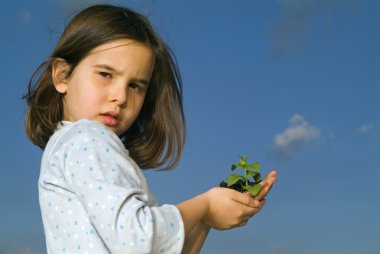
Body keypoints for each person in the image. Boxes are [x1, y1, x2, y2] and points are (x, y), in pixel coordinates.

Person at [23, 4, 277, 254]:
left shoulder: (71, 145)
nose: (120, 96)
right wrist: (204, 206)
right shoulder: (87, 138)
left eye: (135, 86)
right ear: (62, 75)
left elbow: (151, 247)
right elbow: (137, 241)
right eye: (105, 74)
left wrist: (208, 218)